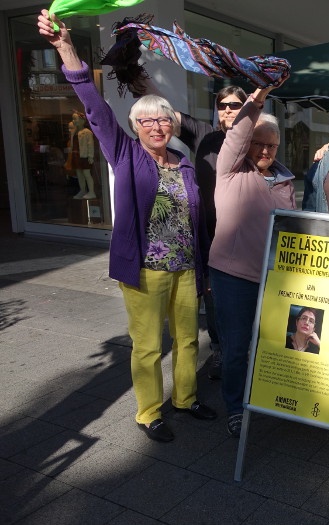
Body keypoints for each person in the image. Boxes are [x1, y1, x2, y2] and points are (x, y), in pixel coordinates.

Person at [38, 9, 216, 443]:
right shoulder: (125, 154)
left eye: (163, 120)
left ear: (172, 126)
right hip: (146, 269)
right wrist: (66, 48)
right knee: (149, 346)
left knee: (189, 340)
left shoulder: (185, 164)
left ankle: (186, 398)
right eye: (147, 121)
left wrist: (205, 268)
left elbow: (199, 218)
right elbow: (95, 108)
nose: (156, 126)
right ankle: (149, 411)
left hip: (186, 267)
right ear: (135, 127)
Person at [145, 80, 248, 380]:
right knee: (214, 295)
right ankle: (219, 349)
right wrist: (140, 78)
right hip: (210, 233)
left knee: (244, 297)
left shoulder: (254, 138)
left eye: (235, 105)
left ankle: (245, 351)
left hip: (245, 234)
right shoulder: (204, 134)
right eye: (223, 105)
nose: (228, 110)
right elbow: (166, 111)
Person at [209, 84, 295, 438]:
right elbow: (240, 131)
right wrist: (258, 97)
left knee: (269, 345)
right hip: (233, 276)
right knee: (236, 347)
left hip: (273, 280)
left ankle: (261, 397)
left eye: (271, 145)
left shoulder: (285, 180)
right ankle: (234, 407)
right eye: (258, 143)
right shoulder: (231, 169)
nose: (264, 150)